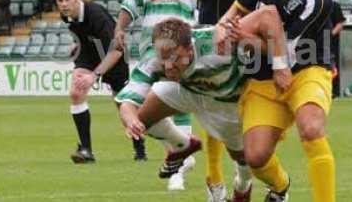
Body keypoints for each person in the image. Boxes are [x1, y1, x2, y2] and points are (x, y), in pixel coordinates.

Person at [218, 0, 335, 202]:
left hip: (307, 70)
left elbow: (284, 51)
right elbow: (233, 14)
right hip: (261, 77)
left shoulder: (318, 0)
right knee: (255, 157)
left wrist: (242, 37)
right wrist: (224, 30)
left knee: (311, 127)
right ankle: (281, 186)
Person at [122, 18, 287, 201]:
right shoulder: (155, 58)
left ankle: (242, 185)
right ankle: (183, 145)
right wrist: (131, 120)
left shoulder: (219, 43)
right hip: (189, 92)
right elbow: (127, 102)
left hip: (228, 103)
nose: (168, 66)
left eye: (175, 58)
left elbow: (267, 18)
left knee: (242, 157)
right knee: (142, 117)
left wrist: (280, 66)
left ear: (190, 49)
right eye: (163, 59)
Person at [185, 0, 281, 198]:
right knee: (214, 102)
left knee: (247, 103)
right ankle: (214, 179)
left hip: (250, 30)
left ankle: (243, 172)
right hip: (216, 29)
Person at [113, 0, 198, 190]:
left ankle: (177, 173)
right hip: (151, 50)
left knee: (177, 101)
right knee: (142, 107)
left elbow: (204, 5)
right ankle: (182, 150)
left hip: (186, 48)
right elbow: (130, 6)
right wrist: (119, 30)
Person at [55, 0, 133, 164]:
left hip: (114, 56)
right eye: (60, 0)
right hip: (89, 54)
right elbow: (83, 34)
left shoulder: (97, 15)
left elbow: (117, 50)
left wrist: (94, 75)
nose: (64, 4)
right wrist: (78, 46)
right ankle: (86, 150)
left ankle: (139, 148)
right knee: (76, 92)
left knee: (124, 108)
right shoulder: (66, 16)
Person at [330, 2, 346, 97]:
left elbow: (340, 23)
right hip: (315, 41)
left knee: (333, 66)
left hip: (331, 42)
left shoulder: (334, 5)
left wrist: (330, 34)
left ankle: (334, 92)